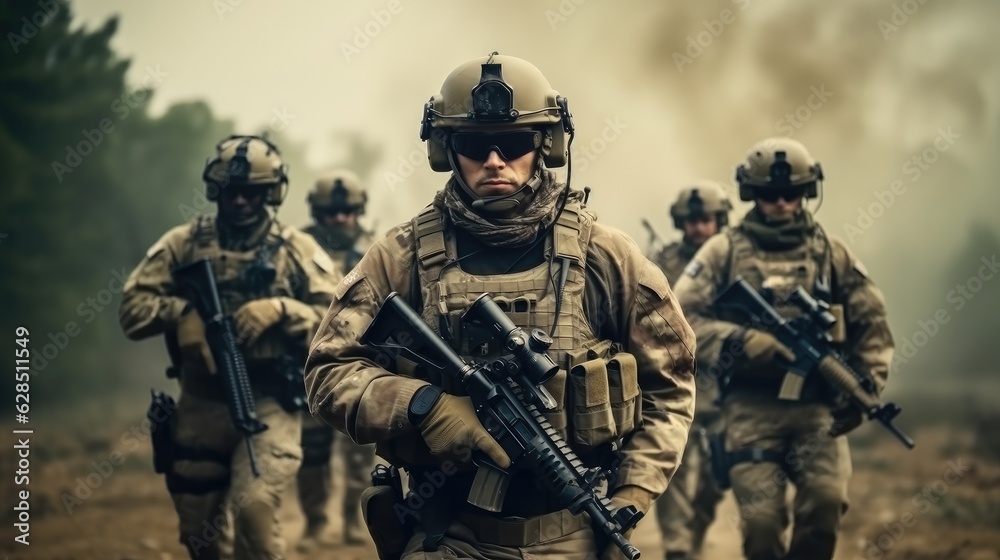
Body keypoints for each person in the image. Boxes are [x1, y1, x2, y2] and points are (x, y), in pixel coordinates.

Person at [303, 52, 696, 559]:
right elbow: (328, 372)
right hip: (448, 530)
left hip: (568, 530)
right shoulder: (398, 258)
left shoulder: (605, 255)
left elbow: (672, 382)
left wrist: (634, 491)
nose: (494, 161)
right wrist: (423, 406)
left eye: (512, 144)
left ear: (545, 146)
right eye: (473, 144)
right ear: (446, 150)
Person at [672, 138, 894, 560]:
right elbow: (678, 319)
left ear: (807, 192)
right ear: (751, 195)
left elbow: (874, 325)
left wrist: (866, 386)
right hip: (750, 410)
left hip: (818, 412)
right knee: (762, 528)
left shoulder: (831, 252)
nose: (780, 202)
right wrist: (741, 340)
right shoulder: (723, 251)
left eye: (790, 193)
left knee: (824, 509)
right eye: (769, 194)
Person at [119, 135, 338, 560]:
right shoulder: (183, 243)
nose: (240, 201)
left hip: (269, 402)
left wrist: (282, 309)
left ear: (271, 193)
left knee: (255, 512)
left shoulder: (296, 248)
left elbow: (343, 322)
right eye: (232, 191)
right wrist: (183, 313)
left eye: (252, 193)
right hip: (200, 402)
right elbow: (132, 310)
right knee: (198, 532)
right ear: (216, 189)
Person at [650, 182, 732, 560]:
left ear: (720, 220)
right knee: (676, 464)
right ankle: (678, 545)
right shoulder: (663, 263)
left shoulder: (732, 262)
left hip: (726, 384)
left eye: (707, 220)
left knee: (719, 472)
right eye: (692, 221)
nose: (699, 228)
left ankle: (696, 529)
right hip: (677, 377)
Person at [296, 170, 377, 550]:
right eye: (331, 213)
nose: (340, 219)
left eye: (347, 212)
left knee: (360, 452)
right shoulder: (297, 250)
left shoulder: (376, 251)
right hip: (307, 368)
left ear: (358, 211)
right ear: (318, 212)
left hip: (362, 367)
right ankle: (315, 523)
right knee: (311, 454)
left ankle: (352, 522)